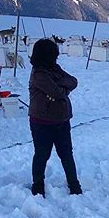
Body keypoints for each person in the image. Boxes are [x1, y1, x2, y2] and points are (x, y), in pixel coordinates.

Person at [28, 38, 82, 197]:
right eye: (53, 55)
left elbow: (73, 81)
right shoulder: (38, 74)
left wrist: (60, 87)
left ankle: (74, 184)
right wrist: (62, 90)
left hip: (62, 120)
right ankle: (38, 185)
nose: (56, 59)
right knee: (42, 154)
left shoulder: (55, 69)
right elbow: (57, 92)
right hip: (42, 122)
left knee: (66, 154)